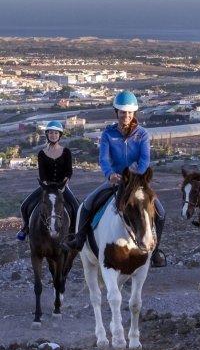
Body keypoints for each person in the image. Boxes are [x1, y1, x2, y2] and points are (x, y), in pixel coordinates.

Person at [65, 91, 166, 267]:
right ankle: (80, 239)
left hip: (137, 182)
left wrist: (134, 177)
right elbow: (104, 159)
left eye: (129, 112)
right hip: (115, 180)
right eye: (122, 112)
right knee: (88, 204)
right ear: (116, 112)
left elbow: (144, 160)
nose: (125, 116)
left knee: (161, 212)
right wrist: (110, 174)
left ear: (134, 113)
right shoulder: (108, 134)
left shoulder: (142, 134)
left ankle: (155, 251)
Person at [16, 120, 79, 241]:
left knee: (76, 206)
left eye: (56, 133)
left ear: (59, 135)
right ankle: (26, 228)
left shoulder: (66, 152)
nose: (53, 135)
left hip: (62, 187)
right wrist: (46, 187)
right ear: (47, 134)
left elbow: (69, 171)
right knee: (24, 205)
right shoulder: (42, 153)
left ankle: (74, 232)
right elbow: (42, 175)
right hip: (46, 187)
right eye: (51, 133)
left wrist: (63, 184)